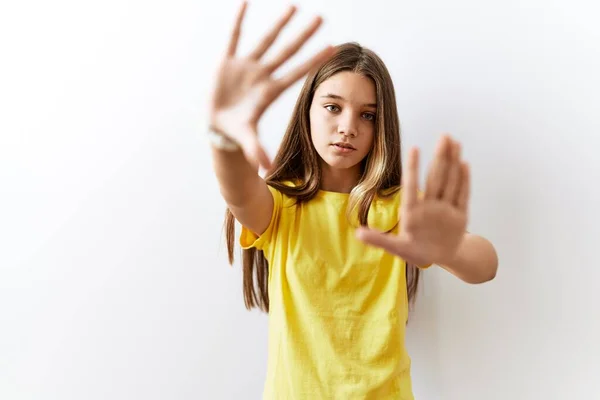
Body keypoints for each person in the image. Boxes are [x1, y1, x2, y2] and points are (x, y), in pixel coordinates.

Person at [207, 2, 499, 399]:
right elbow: (238, 190)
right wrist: (224, 137)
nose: (347, 127)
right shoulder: (282, 206)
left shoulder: (397, 207)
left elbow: (484, 266)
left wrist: (448, 250)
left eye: (368, 115)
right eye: (332, 107)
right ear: (307, 109)